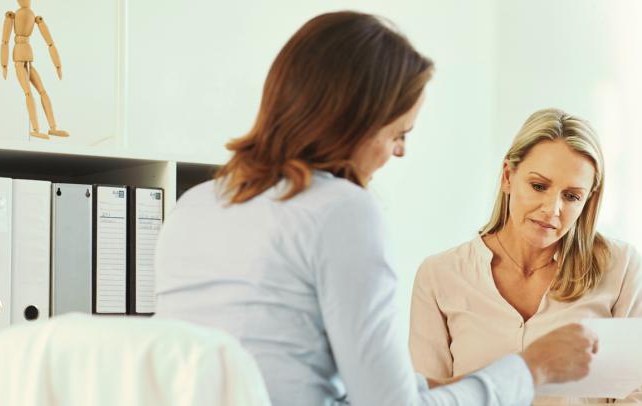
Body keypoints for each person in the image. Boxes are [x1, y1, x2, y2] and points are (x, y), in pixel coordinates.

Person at [153, 12, 599, 406]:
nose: (399, 152)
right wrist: (531, 369)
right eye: (397, 133)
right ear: (354, 122)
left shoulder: (195, 205)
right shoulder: (342, 211)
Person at [409, 108, 642, 404]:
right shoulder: (440, 275)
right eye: (538, 186)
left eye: (571, 196)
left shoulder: (621, 267)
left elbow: (641, 396)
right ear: (507, 177)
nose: (552, 209)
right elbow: (423, 398)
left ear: (587, 201)